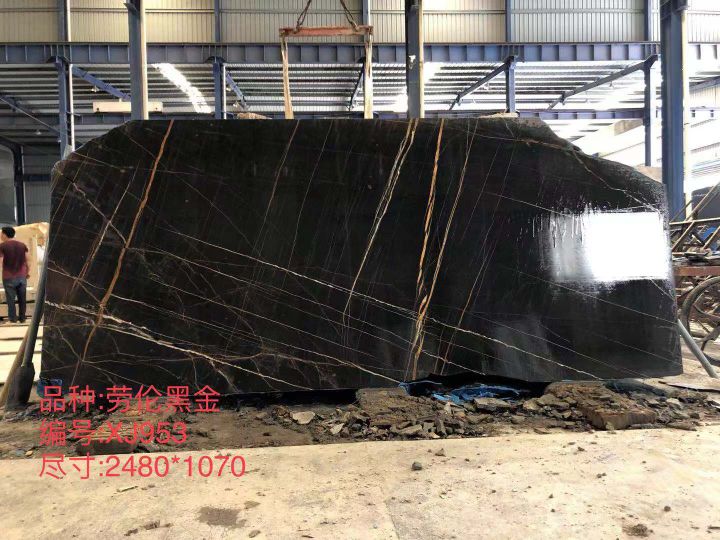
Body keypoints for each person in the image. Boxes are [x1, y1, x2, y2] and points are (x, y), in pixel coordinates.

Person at [0, 226, 29, 323]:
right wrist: (27, 272)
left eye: (1, 234)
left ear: (4, 234)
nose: (1, 236)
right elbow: (27, 260)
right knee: (22, 298)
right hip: (21, 276)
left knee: (10, 299)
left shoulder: (2, 246)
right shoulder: (22, 245)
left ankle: (13, 319)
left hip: (8, 277)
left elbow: (1, 261)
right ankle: (22, 318)